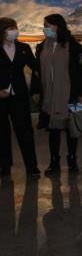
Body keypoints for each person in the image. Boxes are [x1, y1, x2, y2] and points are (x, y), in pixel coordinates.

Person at [33, 14, 82, 175]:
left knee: (71, 129)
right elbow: (37, 71)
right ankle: (54, 162)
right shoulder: (42, 46)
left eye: (47, 25)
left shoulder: (72, 46)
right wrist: (36, 90)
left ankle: (72, 160)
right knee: (53, 130)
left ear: (57, 26)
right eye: (44, 25)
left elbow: (81, 72)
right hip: (49, 96)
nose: (45, 28)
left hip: (70, 94)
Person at [0, 18, 40, 178]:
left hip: (20, 97)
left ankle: (32, 167)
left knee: (25, 131)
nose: (14, 31)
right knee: (2, 133)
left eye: (14, 27)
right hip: (0, 98)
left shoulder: (24, 48)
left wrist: (36, 89)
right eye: (9, 28)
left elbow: (36, 68)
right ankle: (5, 167)